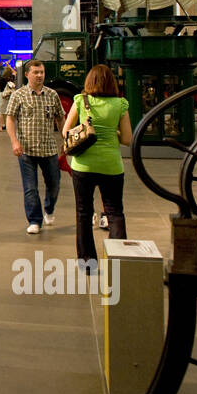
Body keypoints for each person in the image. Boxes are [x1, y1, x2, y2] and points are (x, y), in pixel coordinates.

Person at [61, 64, 132, 269]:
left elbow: (67, 131)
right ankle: (118, 260)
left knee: (83, 212)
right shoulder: (121, 104)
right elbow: (127, 139)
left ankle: (87, 262)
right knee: (115, 211)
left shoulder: (80, 101)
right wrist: (112, 132)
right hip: (112, 166)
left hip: (83, 165)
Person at [5, 59, 64, 235]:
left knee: (54, 185)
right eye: (36, 72)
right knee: (30, 188)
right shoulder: (19, 95)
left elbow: (60, 117)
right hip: (26, 150)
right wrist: (14, 141)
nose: (40, 75)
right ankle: (34, 220)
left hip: (49, 149)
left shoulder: (52, 94)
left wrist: (65, 139)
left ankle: (49, 208)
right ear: (28, 74)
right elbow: (10, 118)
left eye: (42, 72)